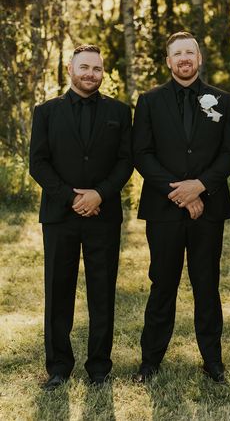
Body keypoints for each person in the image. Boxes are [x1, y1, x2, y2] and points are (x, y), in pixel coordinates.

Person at [132, 31, 230, 384]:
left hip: (209, 208)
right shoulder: (149, 101)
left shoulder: (221, 101)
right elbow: (142, 154)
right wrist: (178, 192)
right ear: (168, 61)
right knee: (162, 283)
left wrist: (201, 187)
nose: (184, 59)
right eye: (177, 53)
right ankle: (150, 361)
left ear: (199, 58)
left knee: (206, 284)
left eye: (189, 53)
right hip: (163, 210)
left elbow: (229, 153)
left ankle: (212, 361)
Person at [29, 44, 133, 391]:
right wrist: (72, 198)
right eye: (84, 67)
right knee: (59, 292)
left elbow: (125, 161)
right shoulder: (46, 112)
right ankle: (59, 366)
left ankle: (99, 368)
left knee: (102, 293)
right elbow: (38, 163)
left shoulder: (119, 111)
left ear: (103, 73)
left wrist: (99, 193)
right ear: (69, 69)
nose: (90, 74)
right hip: (60, 215)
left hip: (104, 215)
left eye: (97, 69)